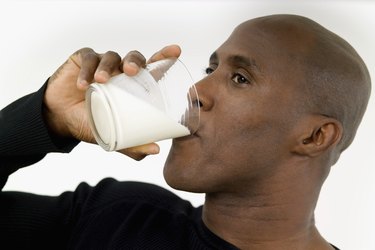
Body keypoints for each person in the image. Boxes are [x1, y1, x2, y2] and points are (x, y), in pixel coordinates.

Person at [0, 14, 371, 250]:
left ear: (315, 137)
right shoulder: (115, 219)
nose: (198, 91)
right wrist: (41, 118)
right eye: (211, 70)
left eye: (240, 78)